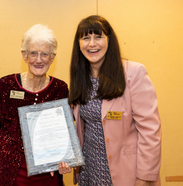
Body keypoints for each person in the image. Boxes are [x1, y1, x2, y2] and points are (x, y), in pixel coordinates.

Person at [69, 15, 161, 186]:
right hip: (89, 168)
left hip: (125, 171)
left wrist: (145, 177)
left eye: (98, 36)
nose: (91, 44)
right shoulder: (80, 77)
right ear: (79, 44)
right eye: (85, 38)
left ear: (109, 40)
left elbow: (150, 130)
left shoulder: (133, 73)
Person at [0, 24, 71, 186]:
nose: (38, 60)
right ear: (24, 55)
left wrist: (65, 158)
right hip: (8, 174)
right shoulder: (6, 85)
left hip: (46, 177)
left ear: (52, 57)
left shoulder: (60, 89)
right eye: (33, 53)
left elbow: (64, 134)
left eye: (45, 54)